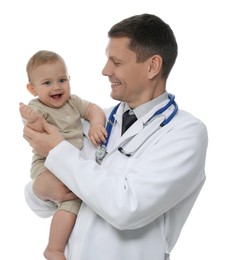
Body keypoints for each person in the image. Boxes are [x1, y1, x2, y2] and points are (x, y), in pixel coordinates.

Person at [22, 14, 208, 260]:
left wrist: (56, 151)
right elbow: (42, 206)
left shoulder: (186, 133)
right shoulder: (93, 121)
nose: (105, 70)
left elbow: (126, 208)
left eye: (116, 62)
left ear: (152, 66)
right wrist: (38, 189)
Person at [19, 50, 107, 260]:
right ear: (32, 89)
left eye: (61, 80)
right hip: (47, 164)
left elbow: (94, 109)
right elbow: (37, 131)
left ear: (69, 79)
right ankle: (55, 248)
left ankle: (54, 249)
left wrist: (96, 123)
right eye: (47, 83)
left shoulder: (73, 102)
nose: (57, 87)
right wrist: (32, 120)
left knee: (71, 202)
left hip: (68, 164)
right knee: (71, 199)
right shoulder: (38, 107)